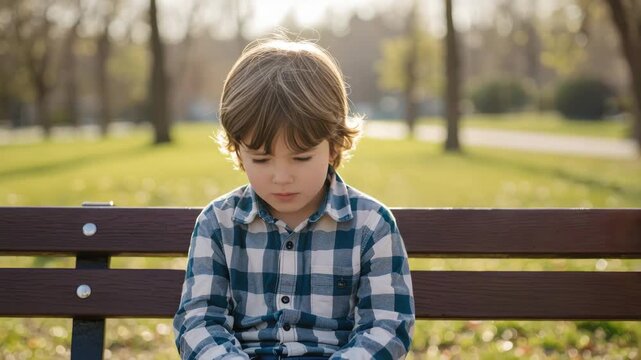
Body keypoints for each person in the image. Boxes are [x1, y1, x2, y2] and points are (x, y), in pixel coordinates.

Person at [173, 35, 415, 360]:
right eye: (261, 159)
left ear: (334, 146)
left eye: (301, 158)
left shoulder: (371, 224)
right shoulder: (217, 224)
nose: (282, 177)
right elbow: (199, 323)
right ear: (237, 150)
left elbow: (388, 327)